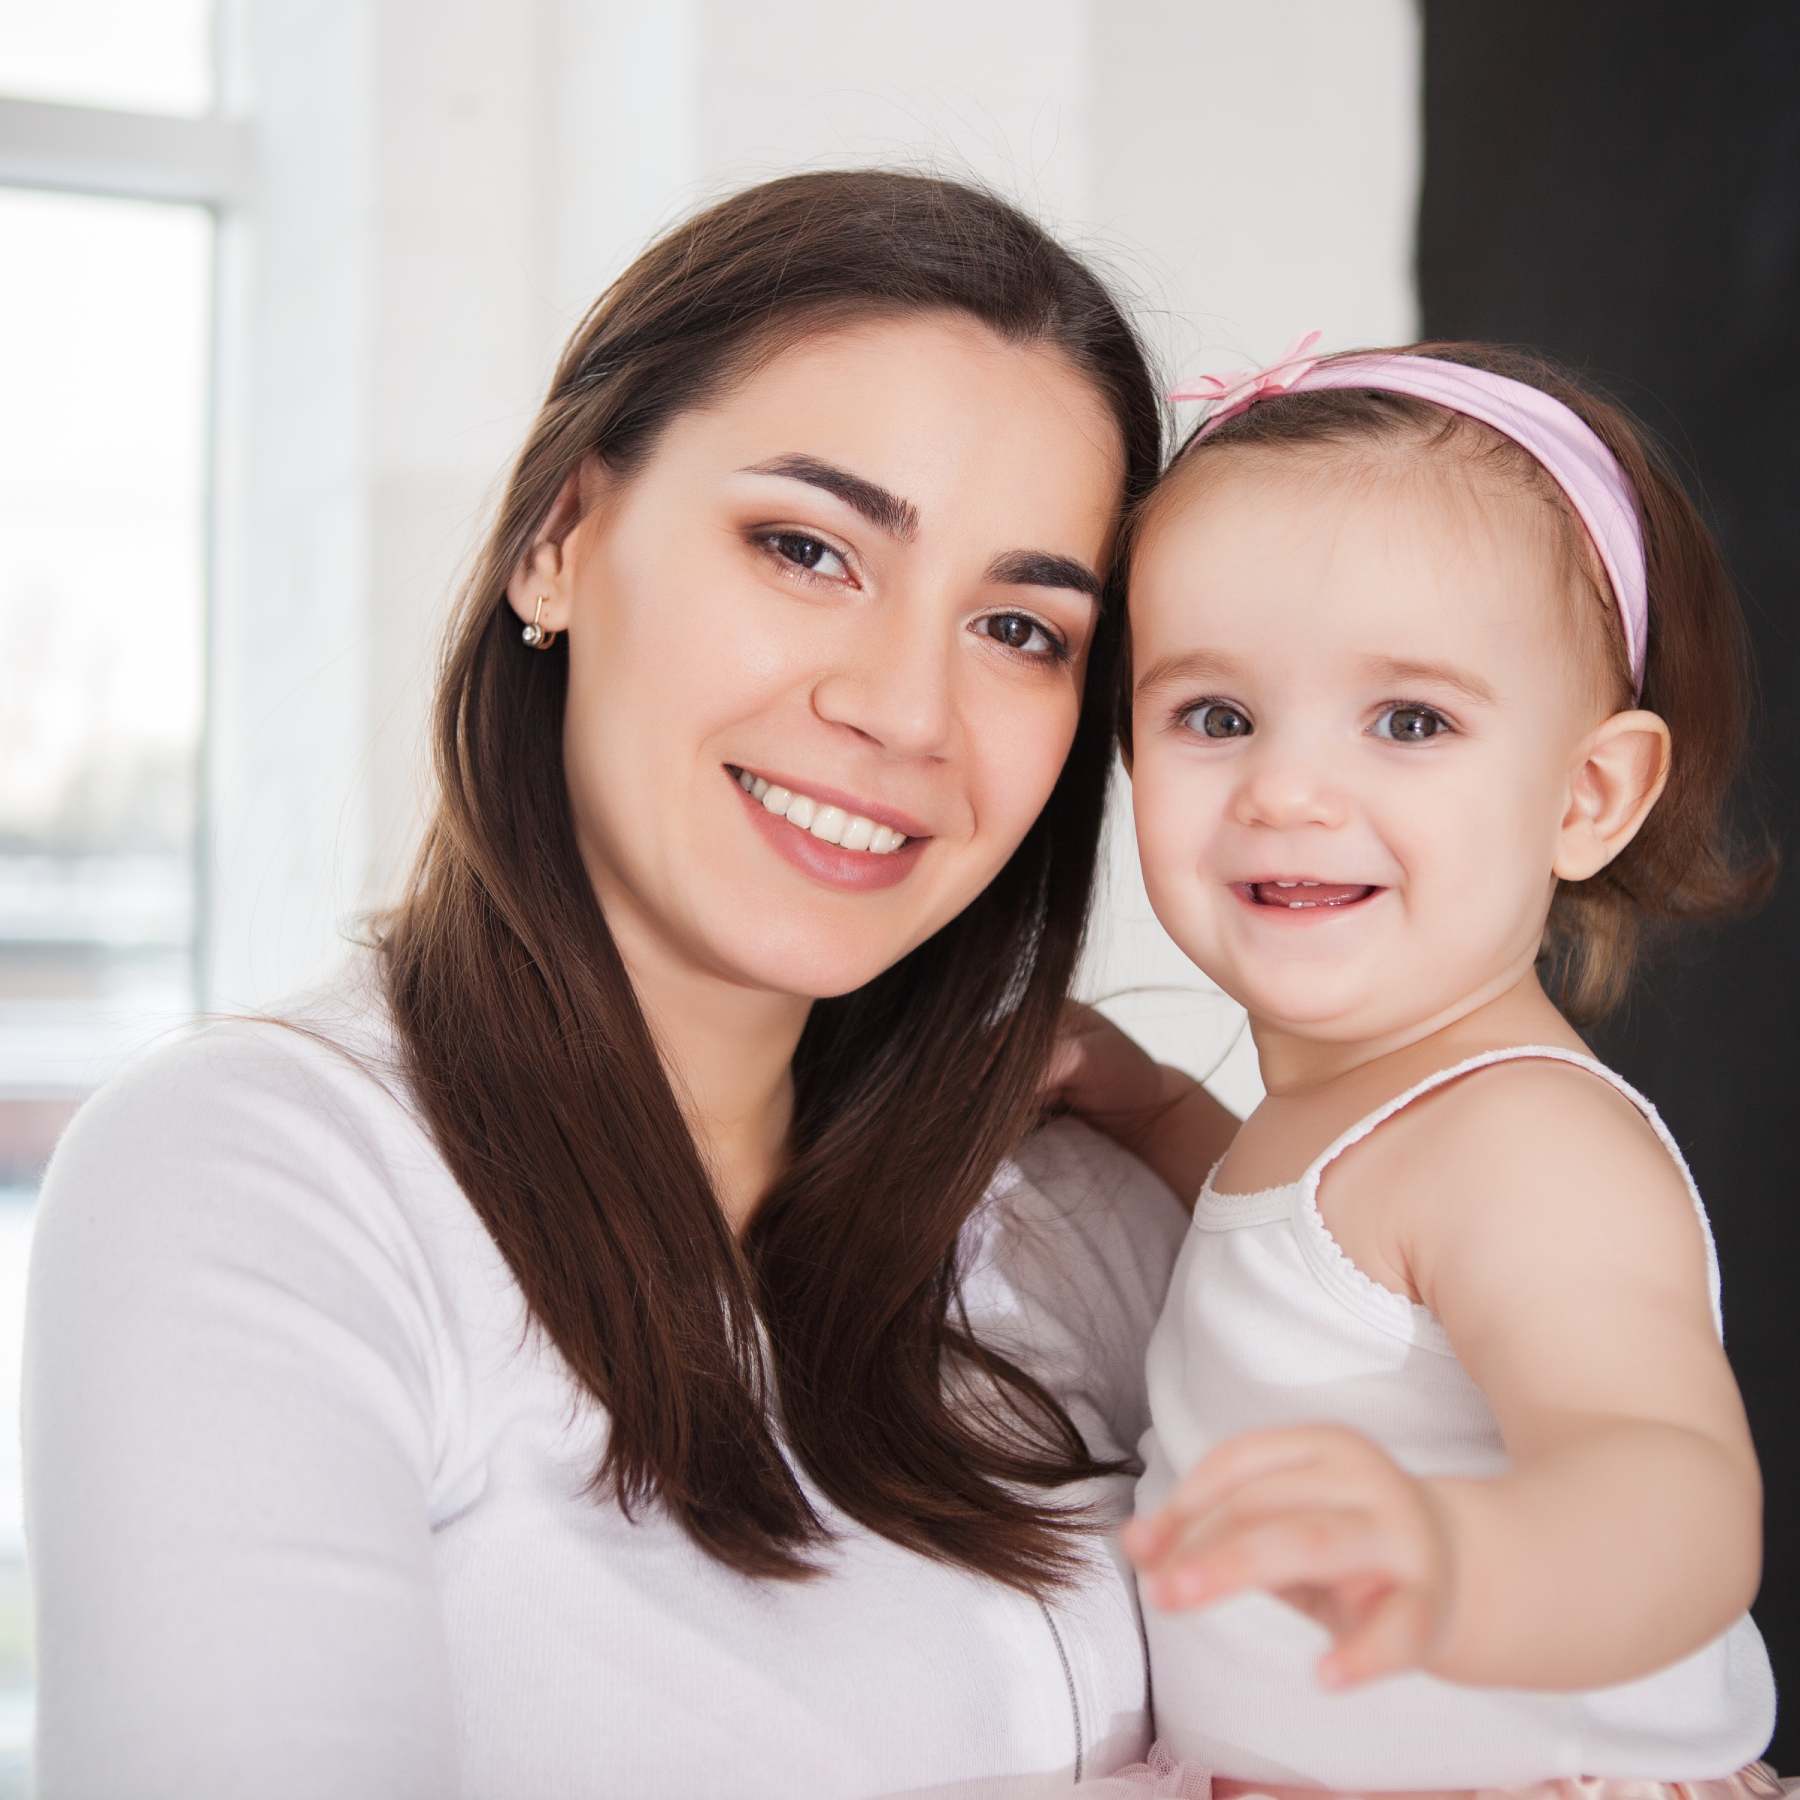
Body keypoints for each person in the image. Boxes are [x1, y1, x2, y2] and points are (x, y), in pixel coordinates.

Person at [21, 170, 1209, 1799]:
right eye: (808, 548)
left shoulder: (1079, 1212)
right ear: (558, 540)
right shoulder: (261, 1177)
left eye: (1019, 627)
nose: (905, 711)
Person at [1068, 337, 1781, 1798]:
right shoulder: (1365, 1122)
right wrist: (1145, 1106)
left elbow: (1672, 1487)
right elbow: (1321, 1270)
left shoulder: (1524, 1143)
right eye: (1217, 716)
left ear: (1587, 797)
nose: (1287, 789)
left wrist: (1462, 1561)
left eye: (1410, 721)